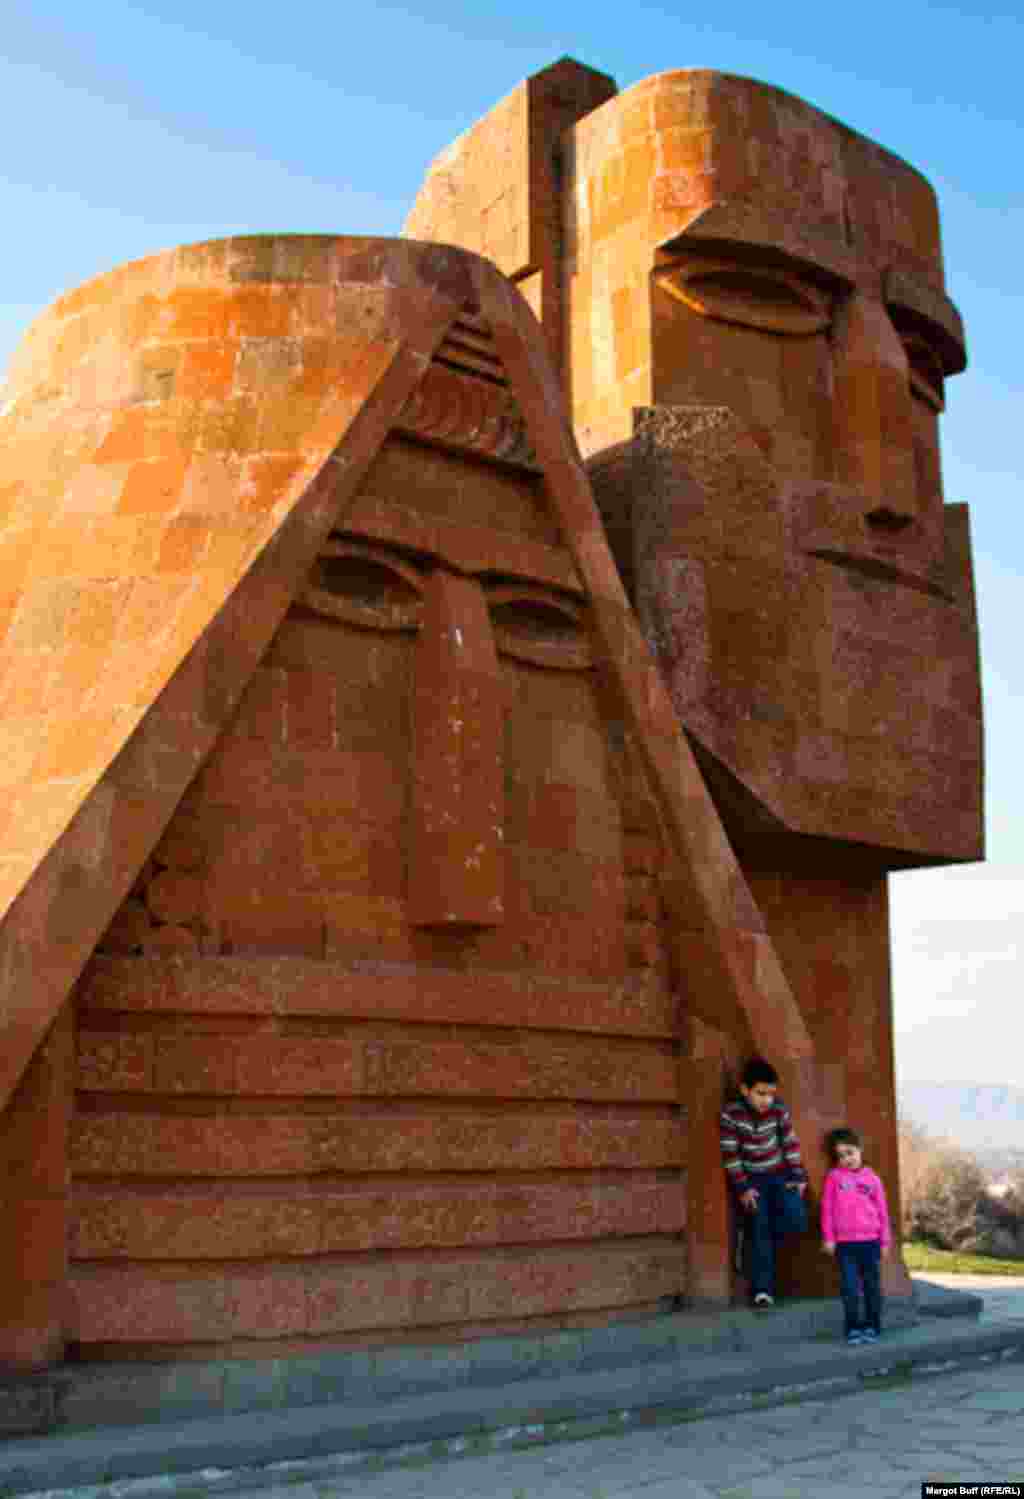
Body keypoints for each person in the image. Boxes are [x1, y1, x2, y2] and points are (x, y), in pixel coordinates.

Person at [720, 1058, 808, 1308]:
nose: (766, 1100)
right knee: (760, 1233)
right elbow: (731, 1154)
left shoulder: (779, 1110)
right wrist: (743, 1188)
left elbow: (790, 1143)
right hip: (753, 1181)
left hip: (780, 1176)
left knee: (796, 1220)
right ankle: (763, 1290)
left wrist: (798, 1176)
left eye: (771, 1094)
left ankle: (762, 1240)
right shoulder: (731, 1114)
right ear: (744, 1090)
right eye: (760, 1093)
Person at [821, 1127, 893, 1345]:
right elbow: (827, 1209)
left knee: (872, 1286)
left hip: (870, 1243)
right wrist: (829, 1238)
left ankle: (872, 1325)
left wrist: (885, 1240)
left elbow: (882, 1210)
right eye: (841, 1156)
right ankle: (852, 1327)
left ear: (860, 1150)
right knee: (850, 1288)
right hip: (845, 1245)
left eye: (850, 1152)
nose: (846, 1159)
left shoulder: (872, 1179)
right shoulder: (834, 1178)